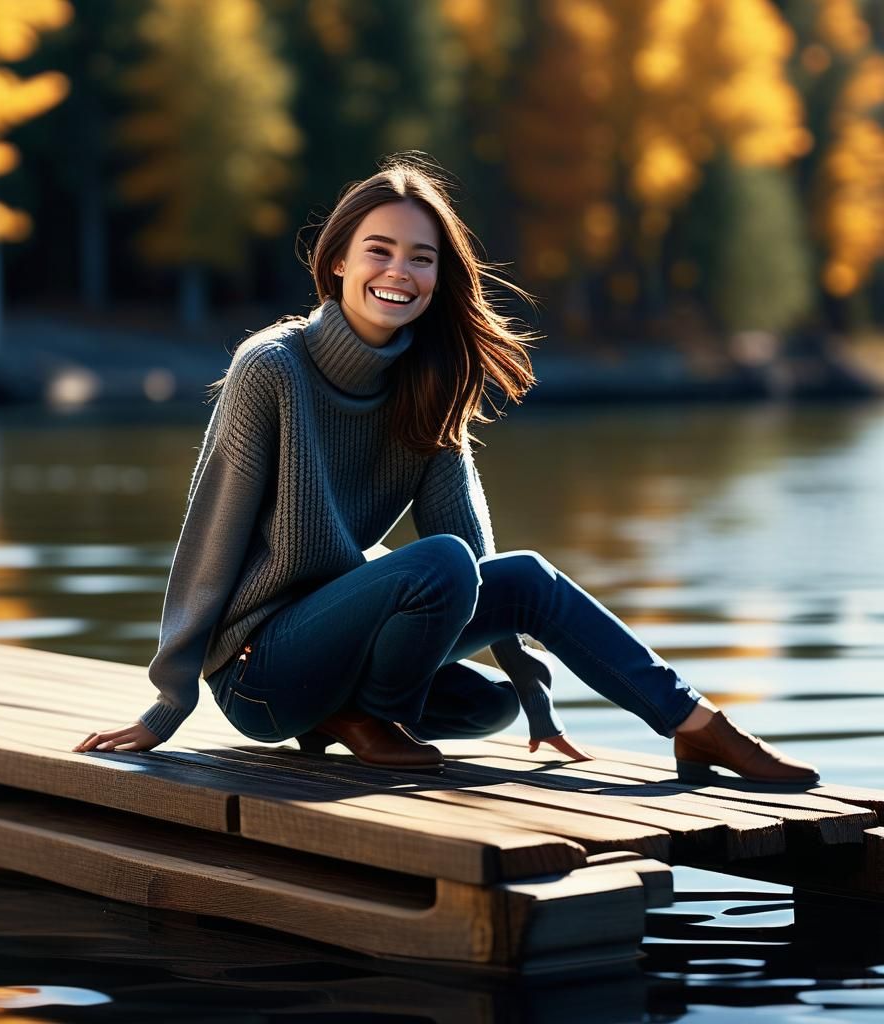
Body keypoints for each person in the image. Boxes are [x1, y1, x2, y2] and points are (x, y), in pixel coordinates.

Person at [73, 153, 818, 786]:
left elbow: (486, 568)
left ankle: (695, 724)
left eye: (420, 258)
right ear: (338, 262)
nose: (399, 271)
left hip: (344, 642)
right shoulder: (271, 368)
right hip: (258, 670)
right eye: (379, 250)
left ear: (438, 277)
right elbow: (209, 540)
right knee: (440, 564)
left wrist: (535, 699)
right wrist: (167, 706)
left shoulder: (430, 382)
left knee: (497, 677)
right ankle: (362, 714)